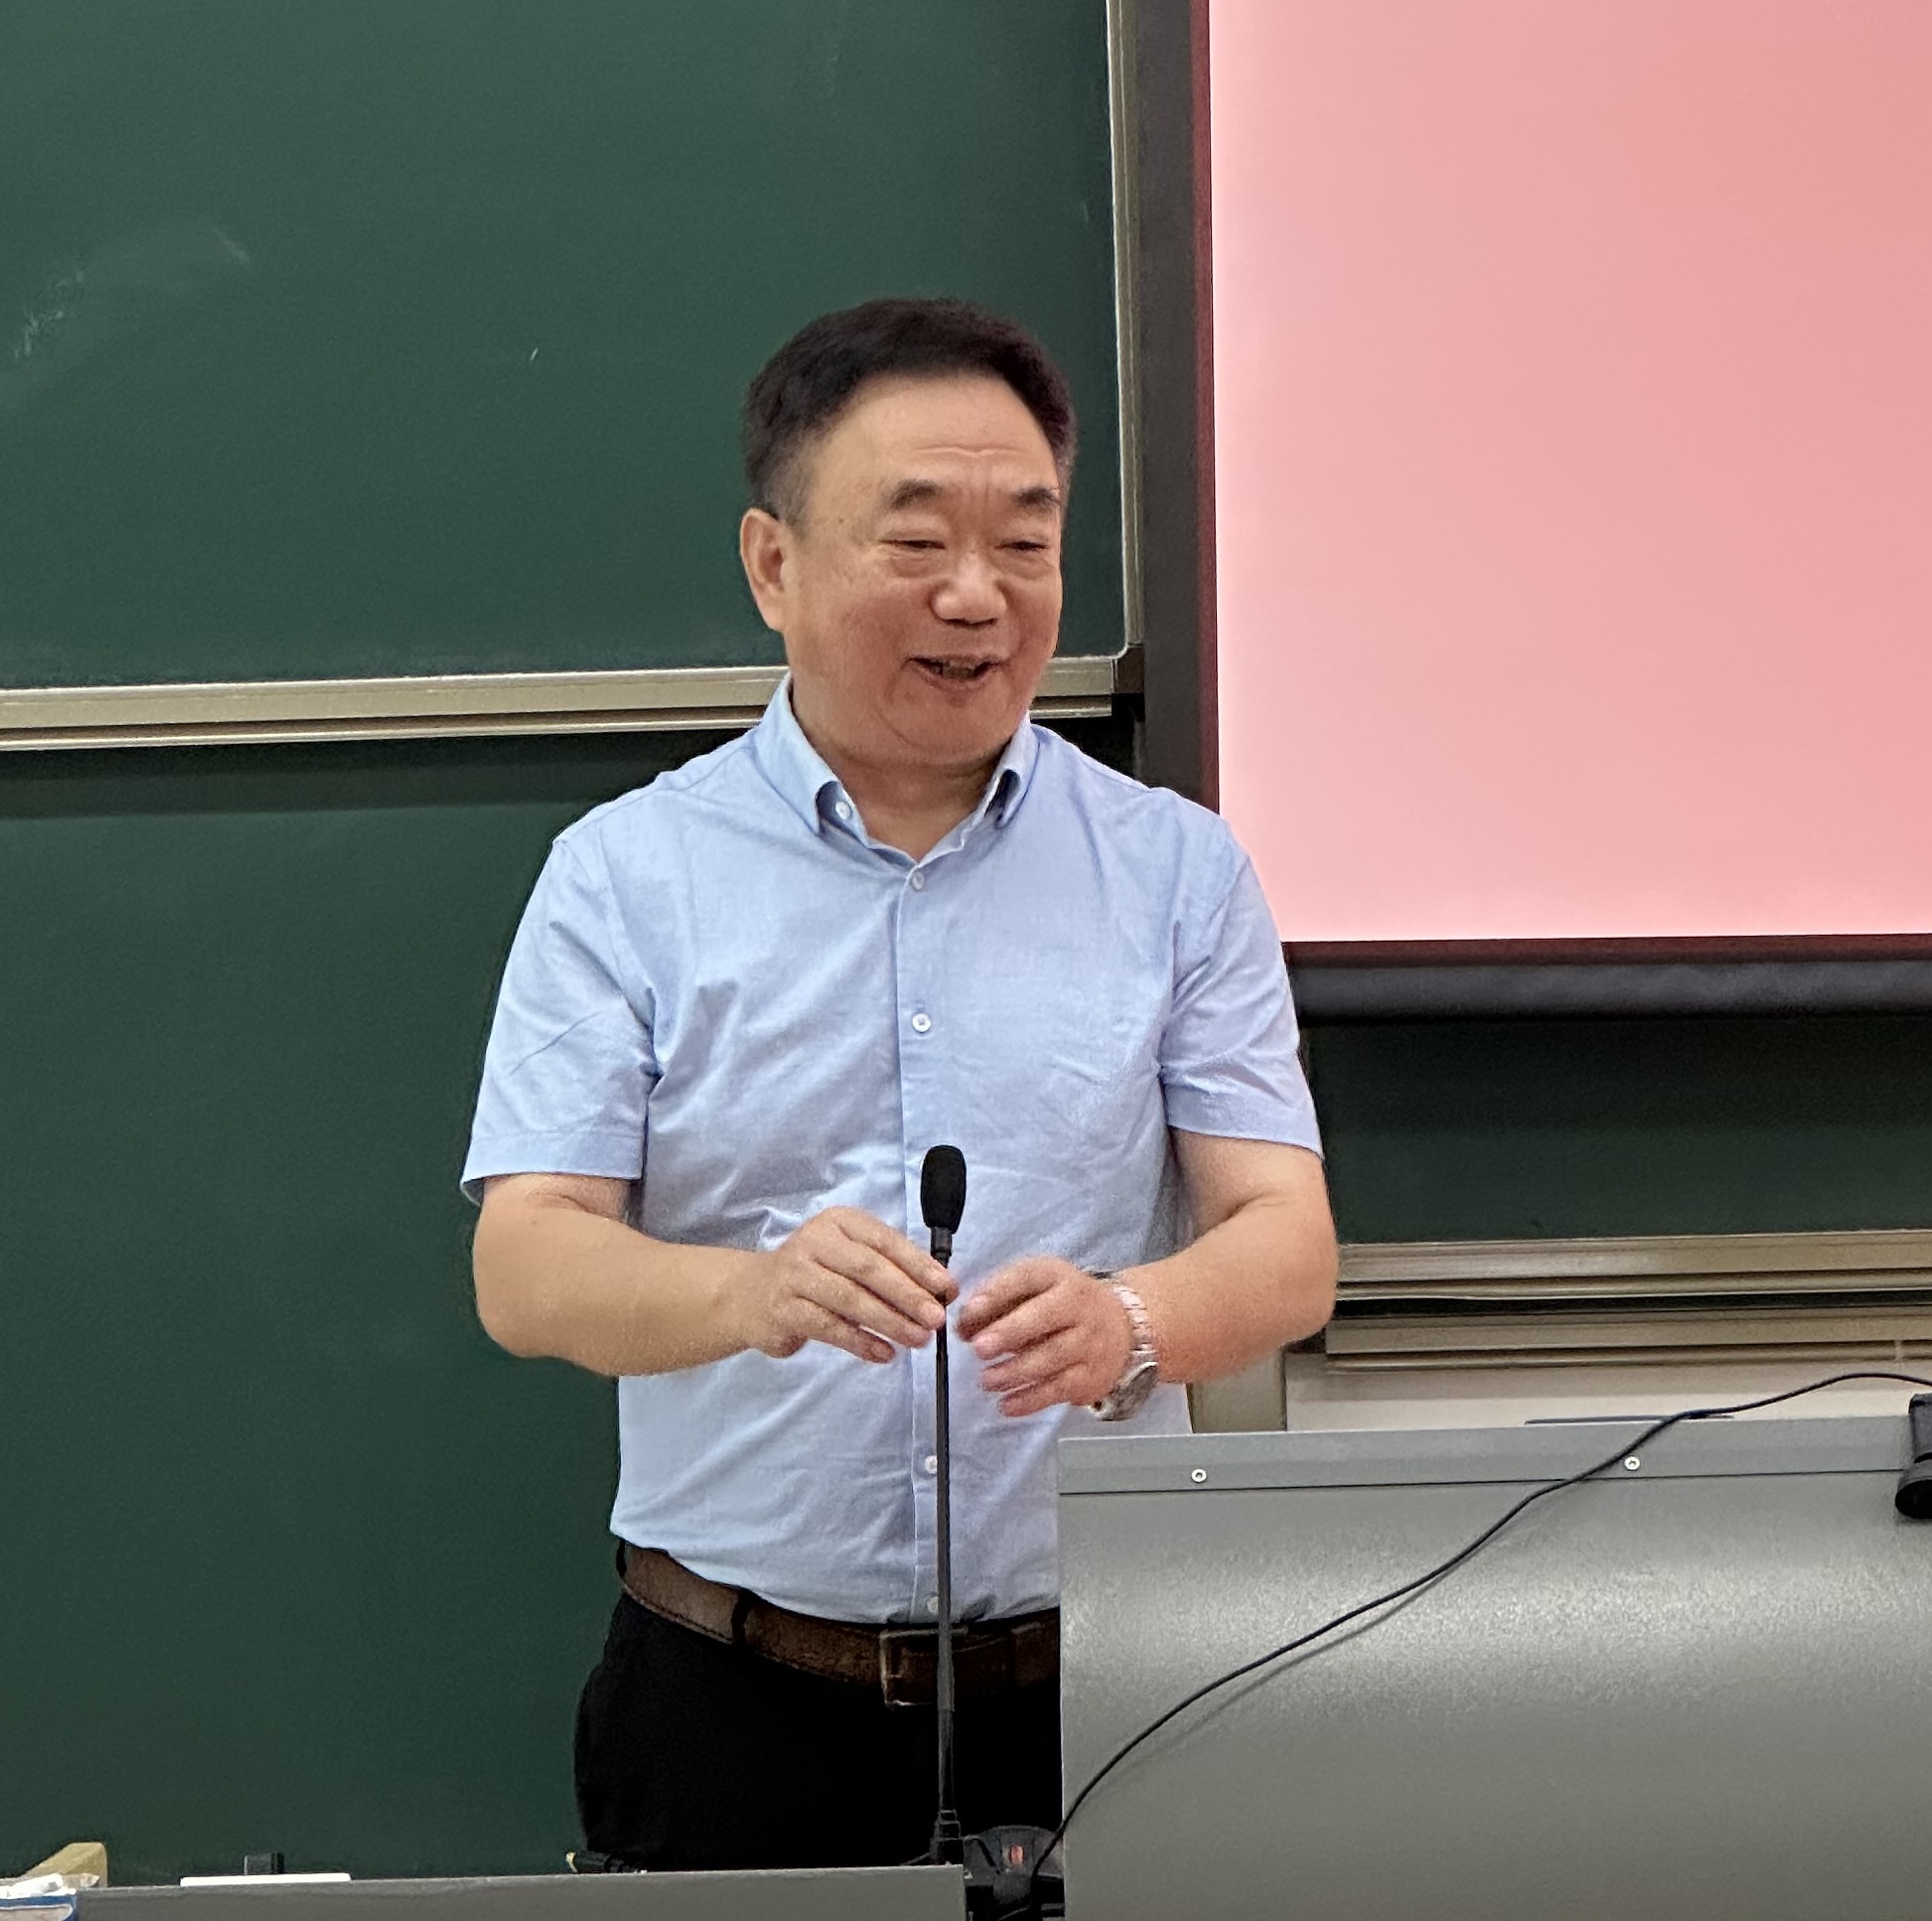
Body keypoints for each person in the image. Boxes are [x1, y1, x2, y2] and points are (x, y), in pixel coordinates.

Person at [463, 295, 1336, 1872]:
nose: (976, 595)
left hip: (1103, 1690)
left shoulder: (1174, 870)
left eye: (1025, 542)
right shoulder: (624, 876)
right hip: (733, 1695)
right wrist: (752, 1294)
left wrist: (1132, 1319)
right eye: (917, 539)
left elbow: (1285, 1241)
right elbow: (524, 1264)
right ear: (772, 564)